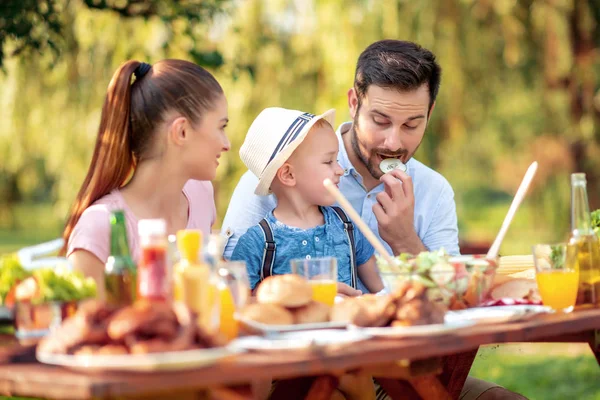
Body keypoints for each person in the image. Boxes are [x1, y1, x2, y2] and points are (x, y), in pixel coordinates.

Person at [222, 40, 525, 400]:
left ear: (430, 112)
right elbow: (228, 297)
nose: (394, 142)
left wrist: (404, 239)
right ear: (354, 103)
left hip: (402, 372)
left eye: (412, 124)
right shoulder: (275, 177)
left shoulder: (434, 190)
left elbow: (452, 306)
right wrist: (306, 302)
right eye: (380, 121)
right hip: (297, 373)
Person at [60, 59, 230, 299]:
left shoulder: (200, 195)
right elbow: (85, 330)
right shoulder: (100, 227)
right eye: (221, 127)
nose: (227, 144)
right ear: (181, 132)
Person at [229, 107, 384, 295]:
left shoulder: (346, 226)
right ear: (288, 174)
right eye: (328, 162)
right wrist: (302, 294)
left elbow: (383, 288)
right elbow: (236, 302)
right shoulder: (257, 242)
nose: (340, 170)